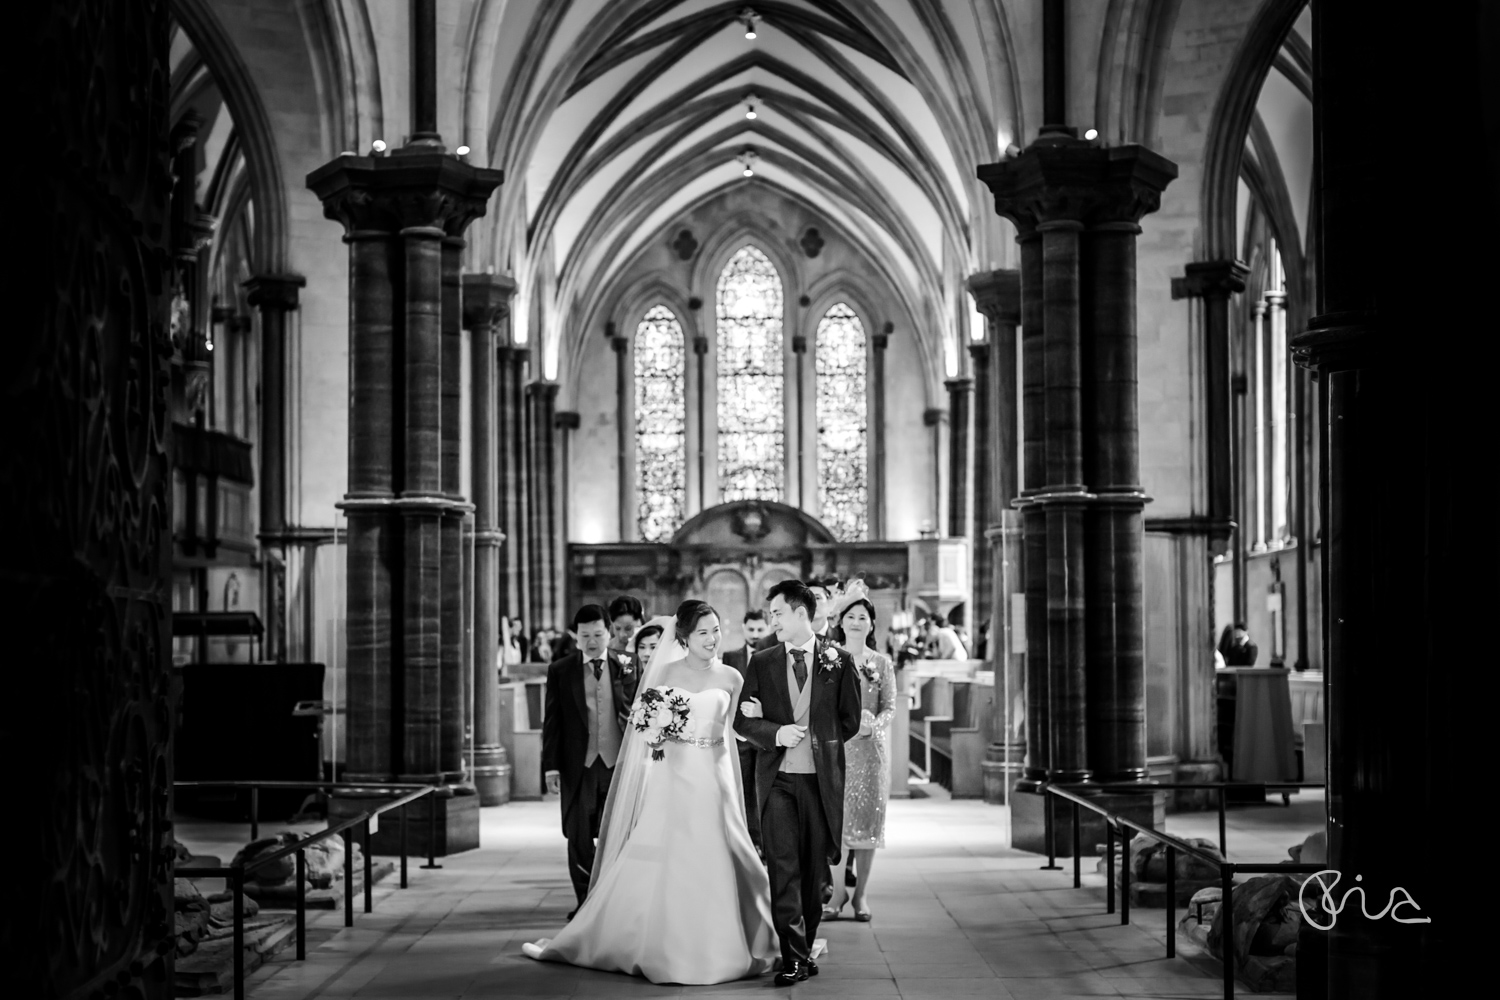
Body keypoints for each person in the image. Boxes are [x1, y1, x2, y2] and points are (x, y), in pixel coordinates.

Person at [524, 601, 776, 984]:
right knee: (671, 852)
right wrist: (659, 732)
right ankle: (662, 942)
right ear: (685, 638)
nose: (712, 639)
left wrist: (758, 722)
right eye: (703, 632)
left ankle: (726, 937)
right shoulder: (665, 674)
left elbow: (736, 729)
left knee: (723, 851)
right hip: (674, 776)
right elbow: (645, 733)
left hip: (717, 775)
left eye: (716, 631)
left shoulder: (732, 678)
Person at [736, 579, 862, 986]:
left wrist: (818, 738)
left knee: (814, 873)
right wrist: (775, 732)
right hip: (777, 782)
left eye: (777, 613)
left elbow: (851, 720)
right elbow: (744, 722)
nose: (771, 621)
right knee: (783, 867)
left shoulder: (838, 660)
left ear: (801, 614)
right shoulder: (763, 661)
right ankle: (791, 956)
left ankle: (804, 949)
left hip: (820, 781)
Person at [541, 606, 642, 914]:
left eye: (598, 634)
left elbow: (638, 710)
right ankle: (585, 905)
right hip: (578, 766)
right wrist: (551, 767)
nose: (592, 642)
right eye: (585, 636)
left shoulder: (627, 663)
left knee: (619, 833)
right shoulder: (561, 669)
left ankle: (613, 903)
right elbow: (552, 721)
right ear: (576, 637)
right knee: (579, 836)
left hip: (617, 765)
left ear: (608, 633)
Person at [823, 598, 896, 923]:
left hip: (870, 753)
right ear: (841, 621)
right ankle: (837, 893)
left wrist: (873, 725)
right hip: (838, 749)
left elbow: (890, 706)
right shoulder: (829, 657)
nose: (856, 622)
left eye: (862, 617)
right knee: (838, 825)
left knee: (867, 824)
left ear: (871, 623)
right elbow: (821, 704)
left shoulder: (881, 663)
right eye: (850, 616)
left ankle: (861, 895)